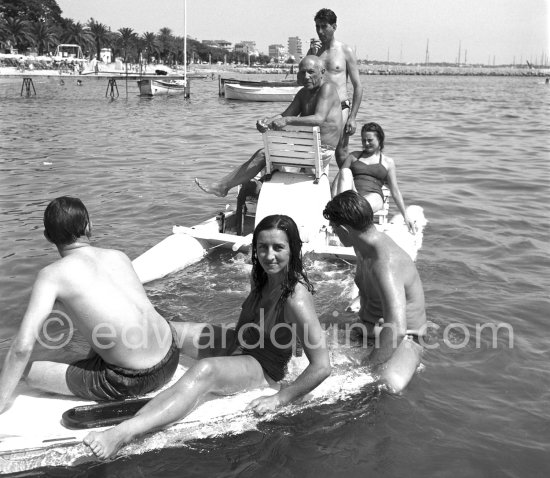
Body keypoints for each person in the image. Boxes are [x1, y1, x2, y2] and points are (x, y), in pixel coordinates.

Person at [83, 214, 331, 459]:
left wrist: (279, 398)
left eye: (278, 248)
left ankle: (123, 433)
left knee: (206, 370)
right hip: (241, 341)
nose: (269, 255)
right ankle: (106, 372)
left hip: (263, 366)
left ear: (293, 249)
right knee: (167, 331)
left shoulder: (296, 298)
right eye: (262, 247)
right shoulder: (261, 277)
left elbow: (322, 366)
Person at [0, 197, 179, 414]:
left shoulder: (51, 276)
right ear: (88, 226)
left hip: (130, 381)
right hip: (171, 357)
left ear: (48, 237)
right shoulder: (119, 256)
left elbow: (21, 348)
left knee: (25, 371)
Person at [323, 191, 427, 394]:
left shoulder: (385, 262)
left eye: (334, 229)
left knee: (384, 386)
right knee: (307, 338)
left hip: (406, 340)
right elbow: (373, 287)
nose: (334, 233)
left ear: (344, 229)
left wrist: (365, 369)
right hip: (367, 329)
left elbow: (396, 329)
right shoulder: (362, 246)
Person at [195, 55, 343, 197]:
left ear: (322, 72)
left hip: (322, 150)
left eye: (311, 72)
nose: (306, 77)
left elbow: (318, 118)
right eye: (302, 72)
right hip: (306, 147)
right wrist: (267, 123)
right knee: (265, 152)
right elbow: (285, 115)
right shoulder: (303, 93)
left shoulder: (327, 88)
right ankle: (246, 191)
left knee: (263, 154)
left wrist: (288, 121)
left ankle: (223, 187)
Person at [335, 122, 417, 233]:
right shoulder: (354, 156)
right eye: (363, 140)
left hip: (373, 197)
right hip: (352, 195)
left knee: (360, 206)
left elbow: (395, 191)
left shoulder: (388, 162)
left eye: (370, 140)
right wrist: (332, 203)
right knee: (344, 172)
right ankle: (344, 216)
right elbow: (339, 179)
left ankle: (344, 222)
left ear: (380, 140)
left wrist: (405, 216)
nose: (366, 143)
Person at [308, 8, 363, 167]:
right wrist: (311, 55)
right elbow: (303, 80)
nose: (320, 31)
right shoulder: (314, 52)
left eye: (324, 26)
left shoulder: (345, 51)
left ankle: (349, 187)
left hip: (341, 107)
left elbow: (358, 86)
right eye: (317, 27)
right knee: (315, 150)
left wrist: (353, 117)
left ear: (334, 26)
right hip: (318, 108)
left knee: (341, 152)